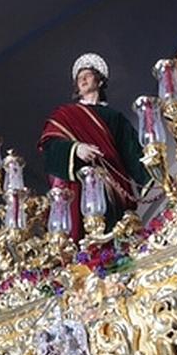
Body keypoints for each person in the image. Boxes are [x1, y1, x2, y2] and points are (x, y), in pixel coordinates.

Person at [38, 53, 150, 238]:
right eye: (79, 78)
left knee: (116, 231)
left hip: (114, 182)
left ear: (99, 81)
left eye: (87, 75)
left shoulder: (114, 117)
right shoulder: (65, 114)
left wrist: (152, 177)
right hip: (82, 185)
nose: (82, 79)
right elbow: (50, 145)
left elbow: (132, 152)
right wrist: (76, 149)